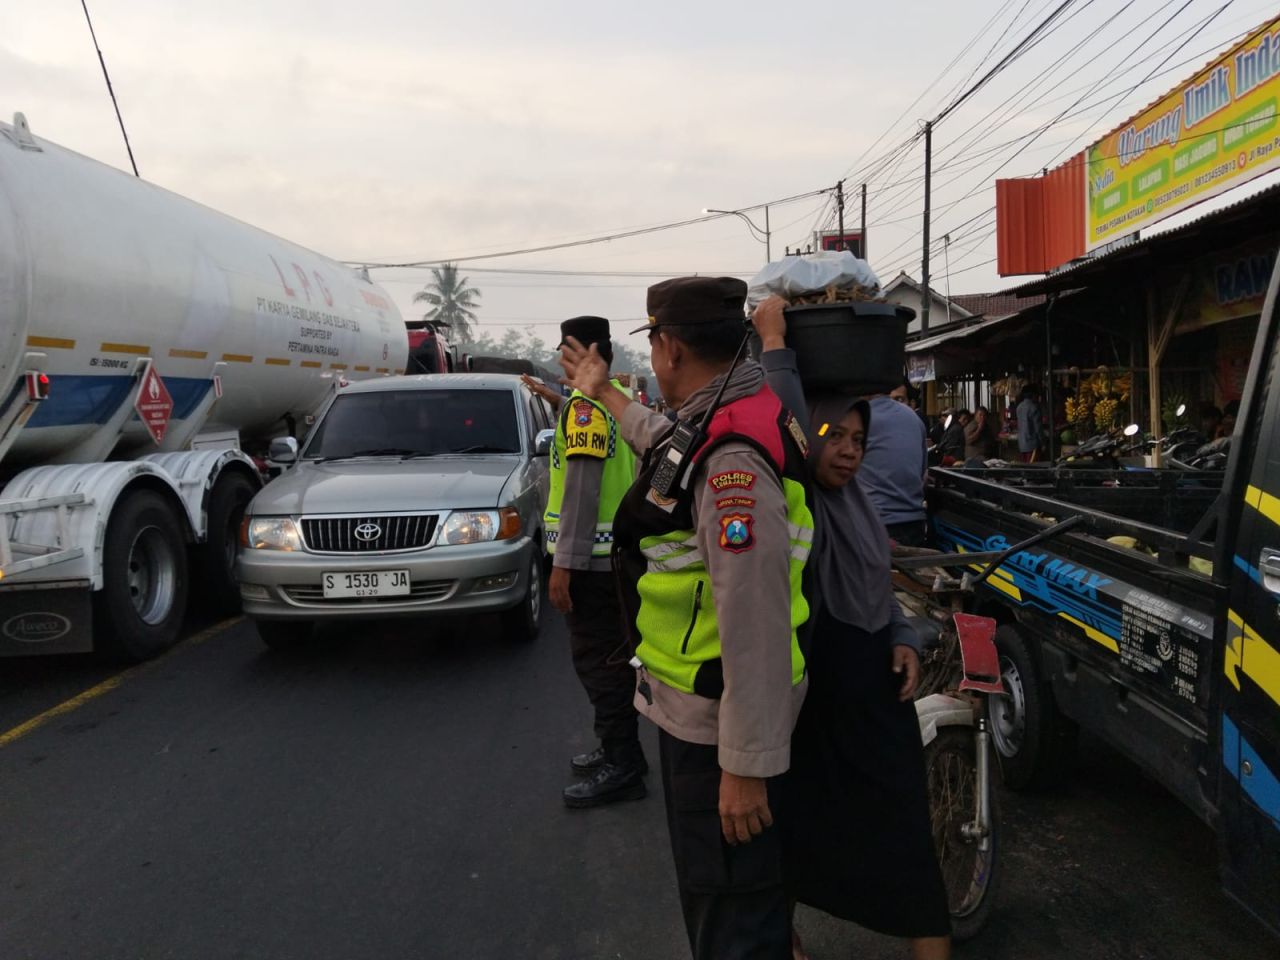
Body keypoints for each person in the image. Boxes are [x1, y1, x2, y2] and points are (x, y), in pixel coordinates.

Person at [560, 276, 813, 960]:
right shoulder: (730, 412)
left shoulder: (732, 461)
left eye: (654, 344)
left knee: (732, 927)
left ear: (669, 347)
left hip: (719, 727)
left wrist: (745, 766)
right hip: (707, 714)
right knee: (729, 909)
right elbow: (667, 446)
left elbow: (753, 616)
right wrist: (604, 393)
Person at [753, 296, 952, 960]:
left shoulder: (860, 505)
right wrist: (776, 342)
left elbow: (878, 588)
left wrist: (902, 636)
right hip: (817, 707)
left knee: (906, 833)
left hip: (876, 700)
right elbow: (784, 417)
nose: (847, 451)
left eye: (859, 441)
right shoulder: (800, 497)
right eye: (834, 435)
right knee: (798, 833)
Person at [542, 317, 645, 809]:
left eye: (566, 351)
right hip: (612, 559)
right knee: (611, 660)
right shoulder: (611, 401)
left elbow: (582, 493)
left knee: (601, 665)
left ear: (586, 354)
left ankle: (623, 766)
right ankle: (619, 750)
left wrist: (565, 565)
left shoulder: (584, 409)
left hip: (593, 565)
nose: (561, 360)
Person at [859, 379, 929, 547]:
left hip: (873, 524)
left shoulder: (858, 418)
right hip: (914, 522)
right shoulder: (914, 418)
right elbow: (923, 473)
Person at [1016, 386, 1043, 463]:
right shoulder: (1034, 407)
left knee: (1025, 467)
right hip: (1032, 445)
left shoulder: (1019, 407)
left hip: (1021, 444)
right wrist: (1043, 442)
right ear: (1033, 395)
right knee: (1033, 467)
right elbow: (1038, 429)